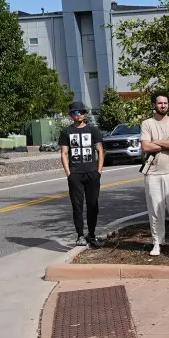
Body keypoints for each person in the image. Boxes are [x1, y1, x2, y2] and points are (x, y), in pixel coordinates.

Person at [140, 92, 169, 257]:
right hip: (153, 173)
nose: (163, 105)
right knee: (155, 210)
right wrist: (167, 142)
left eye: (165, 103)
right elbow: (145, 147)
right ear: (154, 105)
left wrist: (155, 142)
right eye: (160, 103)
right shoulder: (147, 124)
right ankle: (157, 243)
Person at [59, 101, 105, 247]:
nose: (79, 115)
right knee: (77, 206)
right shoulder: (66, 132)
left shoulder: (93, 130)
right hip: (75, 175)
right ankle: (80, 235)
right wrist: (69, 173)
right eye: (76, 112)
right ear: (71, 115)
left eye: (82, 112)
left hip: (92, 173)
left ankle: (91, 235)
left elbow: (100, 151)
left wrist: (99, 171)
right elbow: (64, 153)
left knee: (93, 205)